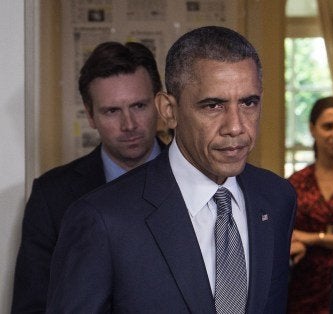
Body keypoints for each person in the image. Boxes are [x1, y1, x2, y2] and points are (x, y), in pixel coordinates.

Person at [46, 26, 297, 313]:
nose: (236, 127)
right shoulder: (102, 219)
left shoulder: (277, 198)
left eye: (248, 102)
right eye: (213, 106)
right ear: (169, 110)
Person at [12, 41, 165, 313]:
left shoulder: (197, 180)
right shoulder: (52, 196)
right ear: (90, 115)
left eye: (139, 106)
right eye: (112, 111)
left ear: (160, 103)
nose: (129, 124)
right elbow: (32, 306)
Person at [288, 96, 333, 313]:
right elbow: (284, 235)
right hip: (302, 290)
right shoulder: (296, 183)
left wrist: (312, 238)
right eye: (328, 126)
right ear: (313, 129)